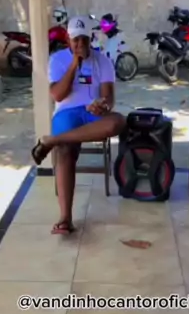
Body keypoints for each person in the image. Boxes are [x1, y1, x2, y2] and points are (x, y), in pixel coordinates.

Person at [31, 15, 126, 235]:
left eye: (84, 39)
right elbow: (57, 95)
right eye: (75, 40)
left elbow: (109, 97)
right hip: (67, 113)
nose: (80, 44)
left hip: (92, 115)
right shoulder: (57, 59)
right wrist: (74, 64)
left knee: (118, 122)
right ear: (68, 39)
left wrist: (103, 105)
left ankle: (51, 141)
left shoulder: (103, 61)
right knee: (66, 151)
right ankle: (65, 219)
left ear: (91, 38)